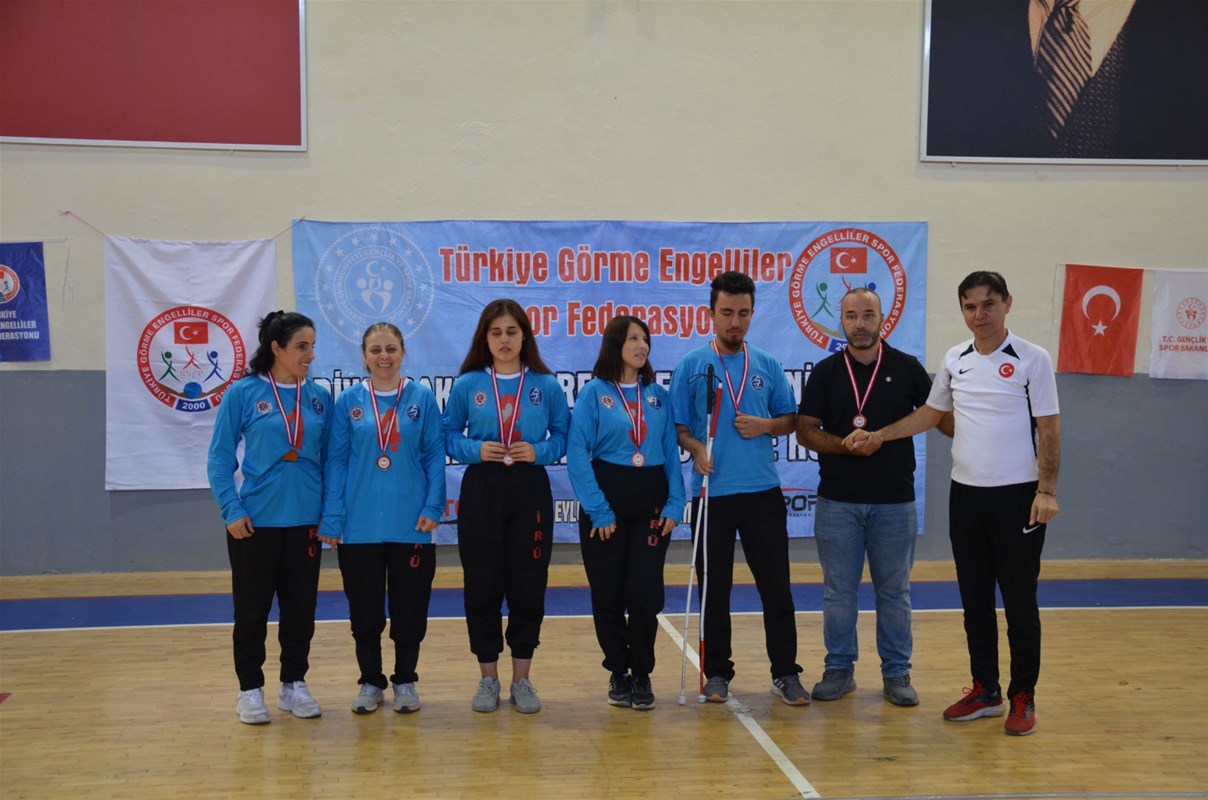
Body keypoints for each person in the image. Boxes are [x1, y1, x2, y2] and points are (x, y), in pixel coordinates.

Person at [846, 271, 1060, 736]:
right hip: (966, 496)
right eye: (970, 307)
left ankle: (1023, 695)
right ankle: (986, 690)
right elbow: (930, 413)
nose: (979, 315)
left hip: (1019, 498)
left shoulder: (1032, 359)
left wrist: (1046, 491)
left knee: (1020, 603)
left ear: (1007, 303)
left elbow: (1049, 430)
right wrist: (880, 435)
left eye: (988, 304)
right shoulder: (955, 359)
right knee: (975, 601)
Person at [796, 288, 953, 707]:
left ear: (883, 318)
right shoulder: (826, 372)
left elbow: (942, 419)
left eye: (868, 315)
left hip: (894, 502)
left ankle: (896, 672)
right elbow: (805, 430)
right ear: (841, 321)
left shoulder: (907, 368)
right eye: (851, 316)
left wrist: (972, 401)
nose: (860, 323)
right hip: (838, 502)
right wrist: (844, 445)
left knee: (895, 592)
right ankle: (839, 669)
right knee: (839, 592)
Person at [669, 271, 808, 706]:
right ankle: (716, 673)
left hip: (762, 492)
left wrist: (765, 425)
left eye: (743, 313)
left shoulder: (766, 364)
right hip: (712, 494)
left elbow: (790, 420)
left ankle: (785, 672)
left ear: (752, 314)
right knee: (715, 589)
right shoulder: (692, 365)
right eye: (727, 313)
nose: (735, 322)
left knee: (776, 588)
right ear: (711, 313)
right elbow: (678, 427)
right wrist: (696, 448)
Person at [442, 299, 570, 714]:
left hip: (529, 488)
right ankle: (488, 679)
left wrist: (539, 451)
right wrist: (475, 449)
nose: (504, 340)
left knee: (527, 585)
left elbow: (563, 437)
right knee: (481, 585)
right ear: (485, 338)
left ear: (524, 336)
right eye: (495, 332)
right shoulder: (468, 384)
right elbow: (448, 435)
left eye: (511, 332)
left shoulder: (546, 386)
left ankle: (522, 680)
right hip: (482, 487)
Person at [207, 310, 331, 725]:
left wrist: (330, 515)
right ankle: (249, 689)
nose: (310, 354)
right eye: (302, 346)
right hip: (254, 523)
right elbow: (219, 458)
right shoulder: (242, 393)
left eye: (312, 346)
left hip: (305, 522)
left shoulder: (319, 397)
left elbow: (332, 460)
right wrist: (231, 509)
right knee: (251, 612)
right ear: (276, 348)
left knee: (301, 611)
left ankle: (293, 684)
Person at [319, 322, 445, 715]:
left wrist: (433, 507)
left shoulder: (422, 398)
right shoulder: (348, 402)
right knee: (365, 610)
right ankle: (371, 681)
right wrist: (332, 516)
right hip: (359, 526)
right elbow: (336, 461)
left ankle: (405, 680)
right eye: (375, 350)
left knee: (410, 608)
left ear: (403, 352)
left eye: (391, 349)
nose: (384, 357)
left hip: (412, 524)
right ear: (364, 356)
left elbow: (434, 456)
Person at [567, 315, 686, 710]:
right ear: (615, 344)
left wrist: (675, 502)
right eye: (634, 338)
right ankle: (618, 671)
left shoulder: (658, 395)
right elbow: (577, 453)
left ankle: (642, 671)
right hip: (607, 501)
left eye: (645, 339)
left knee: (645, 592)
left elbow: (670, 452)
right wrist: (599, 511)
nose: (642, 345)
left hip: (651, 502)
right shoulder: (594, 393)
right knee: (608, 593)